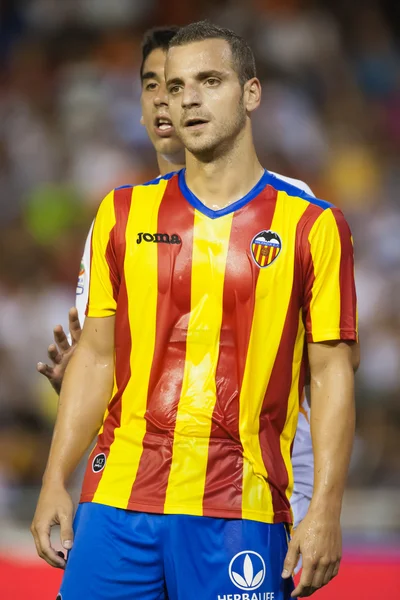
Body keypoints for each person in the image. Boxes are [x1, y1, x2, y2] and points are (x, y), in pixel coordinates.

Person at [32, 22, 358, 600]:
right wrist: (55, 479)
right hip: (118, 504)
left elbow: (332, 372)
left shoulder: (311, 224)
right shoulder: (122, 212)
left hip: (242, 509)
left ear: (251, 93)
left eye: (210, 81)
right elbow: (97, 355)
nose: (189, 99)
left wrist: (326, 506)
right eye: (176, 87)